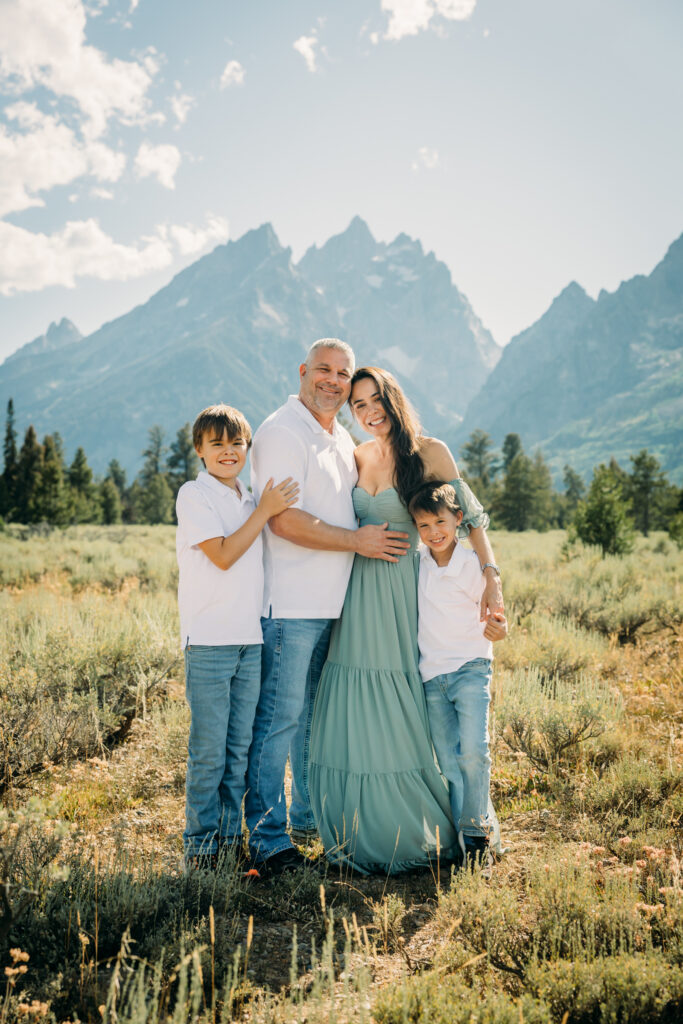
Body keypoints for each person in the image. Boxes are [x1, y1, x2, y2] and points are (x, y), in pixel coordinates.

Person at [309, 367, 505, 874]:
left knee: (402, 700)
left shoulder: (430, 453)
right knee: (354, 698)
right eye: (358, 405)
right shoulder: (356, 454)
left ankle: (452, 824)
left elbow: (474, 518)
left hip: (403, 594)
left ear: (393, 399)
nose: (369, 412)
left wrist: (492, 579)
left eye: (376, 400)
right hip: (356, 593)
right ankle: (359, 821)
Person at [245, 340, 414, 876]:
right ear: (303, 372)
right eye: (324, 369)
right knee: (278, 721)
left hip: (335, 606)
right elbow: (283, 521)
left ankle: (307, 819)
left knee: (312, 722)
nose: (334, 381)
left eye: (343, 373)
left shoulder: (340, 435)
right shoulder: (281, 432)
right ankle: (268, 841)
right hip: (290, 607)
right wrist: (356, 542)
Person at [176, 403, 299, 869]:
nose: (228, 452)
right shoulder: (195, 496)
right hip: (210, 641)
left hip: (251, 640)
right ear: (200, 450)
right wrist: (267, 510)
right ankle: (201, 848)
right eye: (217, 445)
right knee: (209, 752)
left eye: (237, 444)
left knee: (238, 751)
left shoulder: (248, 496)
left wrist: (262, 507)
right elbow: (224, 555)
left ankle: (229, 843)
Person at [409, 480, 505, 869]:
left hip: (470, 668)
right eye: (424, 526)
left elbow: (497, 620)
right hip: (432, 676)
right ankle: (468, 839)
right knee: (449, 762)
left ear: (458, 519)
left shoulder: (471, 565)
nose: (434, 532)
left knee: (475, 753)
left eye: (440, 522)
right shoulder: (417, 565)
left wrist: (499, 627)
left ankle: (477, 836)